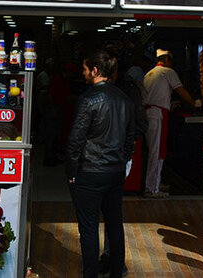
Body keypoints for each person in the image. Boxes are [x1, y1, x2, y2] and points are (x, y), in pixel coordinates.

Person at [67, 49, 135, 278]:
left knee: (88, 227)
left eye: (85, 69)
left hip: (90, 172)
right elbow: (130, 137)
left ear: (95, 71)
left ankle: (91, 274)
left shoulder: (88, 99)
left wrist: (72, 171)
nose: (83, 73)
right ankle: (117, 271)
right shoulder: (124, 98)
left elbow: (76, 138)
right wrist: (122, 160)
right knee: (115, 224)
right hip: (114, 171)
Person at [141, 48, 201, 199]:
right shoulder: (168, 72)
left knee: (154, 150)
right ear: (167, 60)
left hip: (150, 113)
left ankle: (155, 182)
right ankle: (152, 189)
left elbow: (153, 97)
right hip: (157, 116)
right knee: (157, 151)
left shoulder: (149, 74)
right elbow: (181, 91)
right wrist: (194, 103)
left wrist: (169, 103)